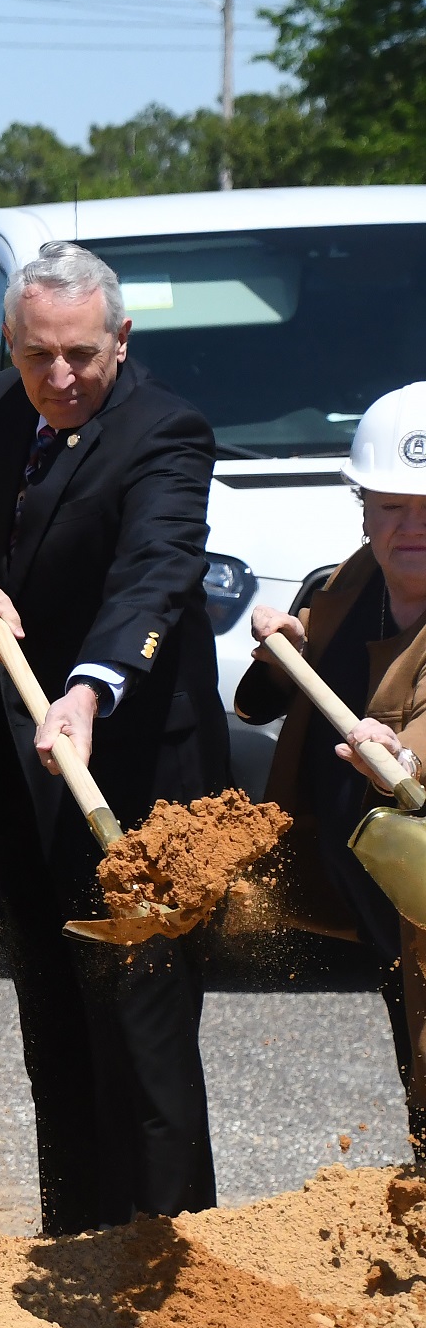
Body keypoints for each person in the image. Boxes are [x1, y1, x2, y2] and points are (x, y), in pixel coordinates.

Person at [0, 241, 227, 1232]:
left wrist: (94, 682)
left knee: (142, 1022)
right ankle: (81, 1238)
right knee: (54, 1016)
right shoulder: (0, 413)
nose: (59, 378)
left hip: (138, 770)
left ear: (121, 340)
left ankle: (169, 1253)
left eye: (82, 356)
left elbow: (157, 572)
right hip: (28, 772)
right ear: (8, 347)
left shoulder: (167, 433)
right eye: (37, 355)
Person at [234, 381, 426, 1159]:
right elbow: (264, 701)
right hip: (384, 894)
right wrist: (287, 642)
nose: (411, 527)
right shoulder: (349, 585)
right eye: (392, 507)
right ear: (363, 509)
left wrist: (410, 754)